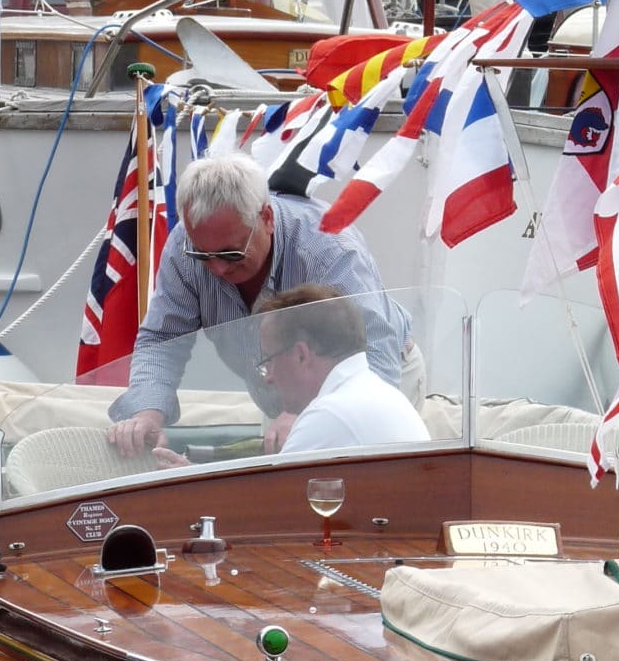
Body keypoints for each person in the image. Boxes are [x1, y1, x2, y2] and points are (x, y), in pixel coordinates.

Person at [108, 154, 423, 455]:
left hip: (374, 377)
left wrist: (309, 414)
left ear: (267, 218)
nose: (216, 269)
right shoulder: (182, 246)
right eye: (202, 255)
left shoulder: (329, 249)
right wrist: (147, 412)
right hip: (283, 395)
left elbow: (375, 350)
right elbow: (164, 338)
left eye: (230, 253)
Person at [257, 285, 428, 456]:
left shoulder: (327, 415)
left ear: (301, 356)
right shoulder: (385, 395)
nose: (268, 377)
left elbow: (282, 483)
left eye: (269, 360)